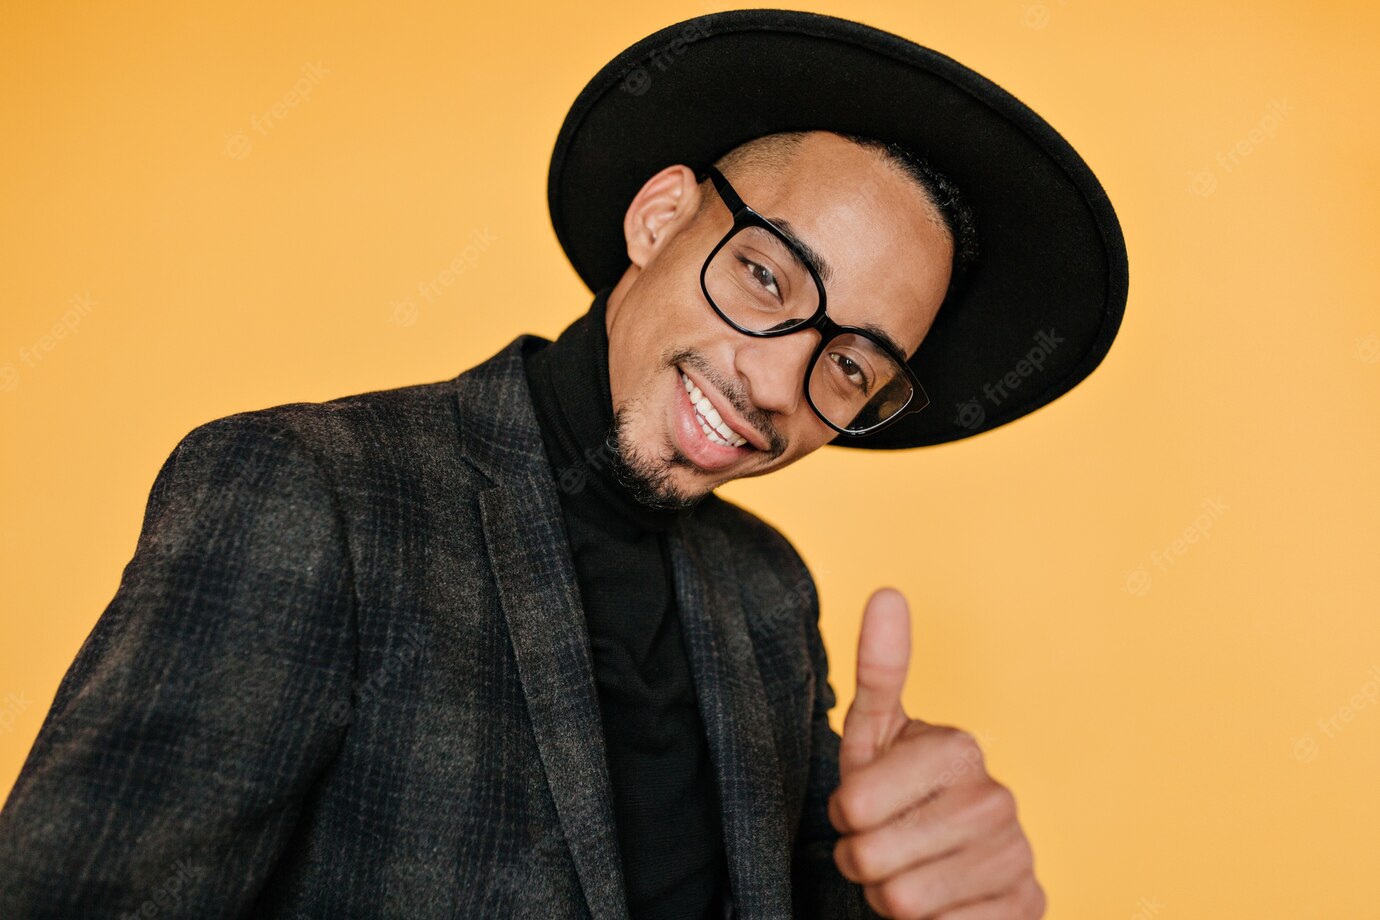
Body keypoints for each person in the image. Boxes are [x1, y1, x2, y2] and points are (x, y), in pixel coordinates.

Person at [0, 9, 1126, 919]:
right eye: (771, 280)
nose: (779, 386)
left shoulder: (768, 595)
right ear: (660, 217)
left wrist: (920, 890)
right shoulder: (308, 493)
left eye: (851, 368)